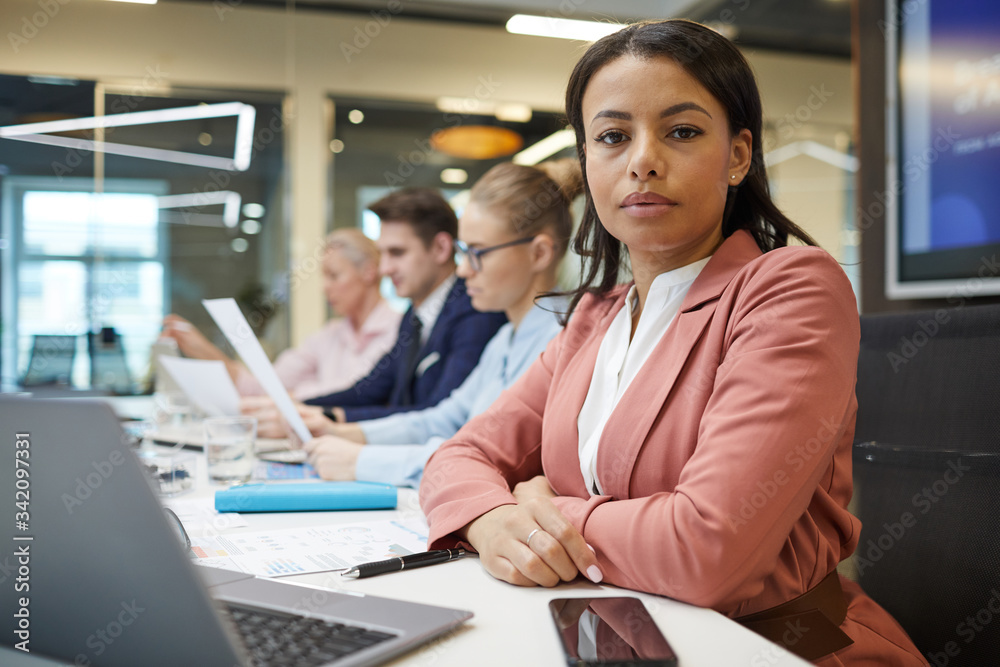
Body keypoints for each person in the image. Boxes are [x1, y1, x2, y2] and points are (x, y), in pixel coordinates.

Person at [418, 19, 923, 666]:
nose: (643, 159)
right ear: (587, 161)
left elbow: (707, 548)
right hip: (612, 636)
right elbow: (456, 458)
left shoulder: (789, 287)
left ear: (738, 154)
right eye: (611, 136)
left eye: (682, 131)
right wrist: (492, 519)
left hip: (773, 646)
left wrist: (542, 502)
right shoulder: (593, 319)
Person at [303, 160, 581, 486]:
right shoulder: (505, 337)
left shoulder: (564, 340)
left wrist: (361, 460)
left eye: (478, 252)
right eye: (464, 252)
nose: (463, 271)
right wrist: (346, 432)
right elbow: (444, 418)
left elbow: (490, 458)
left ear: (539, 254)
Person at [291, 187, 507, 427]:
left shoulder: (476, 312)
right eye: (382, 254)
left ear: (441, 249)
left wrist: (334, 417)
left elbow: (440, 416)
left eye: (397, 253)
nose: (384, 269)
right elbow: (371, 388)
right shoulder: (414, 315)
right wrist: (299, 407)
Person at [160, 228, 400, 401]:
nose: (324, 287)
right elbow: (263, 387)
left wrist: (293, 395)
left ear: (369, 272)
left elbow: (355, 394)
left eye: (334, 275)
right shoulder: (329, 336)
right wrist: (201, 349)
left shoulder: (398, 333)